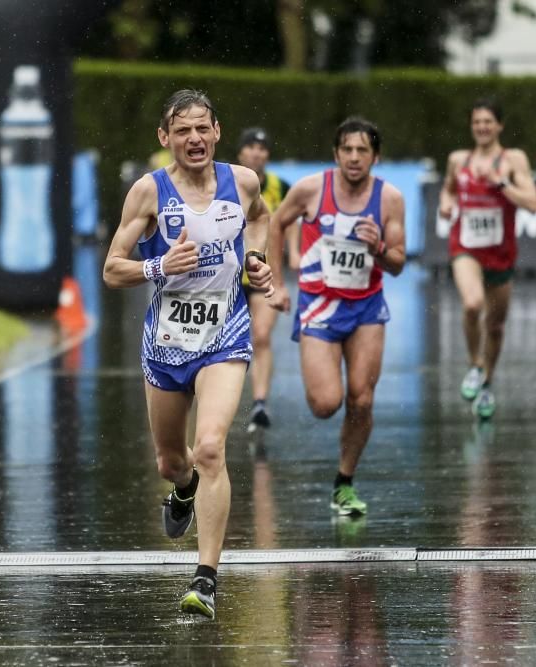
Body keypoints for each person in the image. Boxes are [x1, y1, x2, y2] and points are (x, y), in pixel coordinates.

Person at [102, 89, 274, 620]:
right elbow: (112, 268)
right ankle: (181, 492)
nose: (194, 139)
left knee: (211, 448)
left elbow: (263, 217)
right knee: (173, 462)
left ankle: (206, 578)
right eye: (182, 131)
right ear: (165, 138)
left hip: (225, 334)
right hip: (168, 343)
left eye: (202, 129)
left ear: (217, 131)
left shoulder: (241, 182)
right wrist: (159, 268)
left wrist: (256, 261)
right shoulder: (147, 193)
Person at [268, 116, 405, 517]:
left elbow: (397, 262)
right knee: (327, 403)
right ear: (336, 154)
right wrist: (278, 284)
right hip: (319, 304)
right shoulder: (312, 189)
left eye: (363, 150)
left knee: (361, 399)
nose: (354, 157)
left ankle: (344, 483)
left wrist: (378, 246)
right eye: (347, 149)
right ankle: (324, 385)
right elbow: (277, 224)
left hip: (365, 306)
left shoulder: (390, 199)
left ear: (375, 157)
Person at [438, 98, 536, 419]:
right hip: (465, 245)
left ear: (499, 126)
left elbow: (533, 203)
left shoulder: (513, 160)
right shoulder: (458, 159)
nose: (482, 127)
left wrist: (502, 184)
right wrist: (446, 203)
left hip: (500, 251)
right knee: (472, 304)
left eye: (488, 122)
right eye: (476, 122)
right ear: (471, 126)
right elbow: (449, 189)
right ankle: (474, 365)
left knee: (495, 325)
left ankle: (487, 384)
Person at [234, 127, 298, 431]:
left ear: (267, 155)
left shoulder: (279, 187)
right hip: (229, 277)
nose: (256, 153)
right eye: (250, 147)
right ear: (240, 153)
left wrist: (294, 255)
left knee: (260, 336)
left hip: (264, 273)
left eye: (262, 148)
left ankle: (260, 403)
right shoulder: (226, 184)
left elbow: (290, 221)